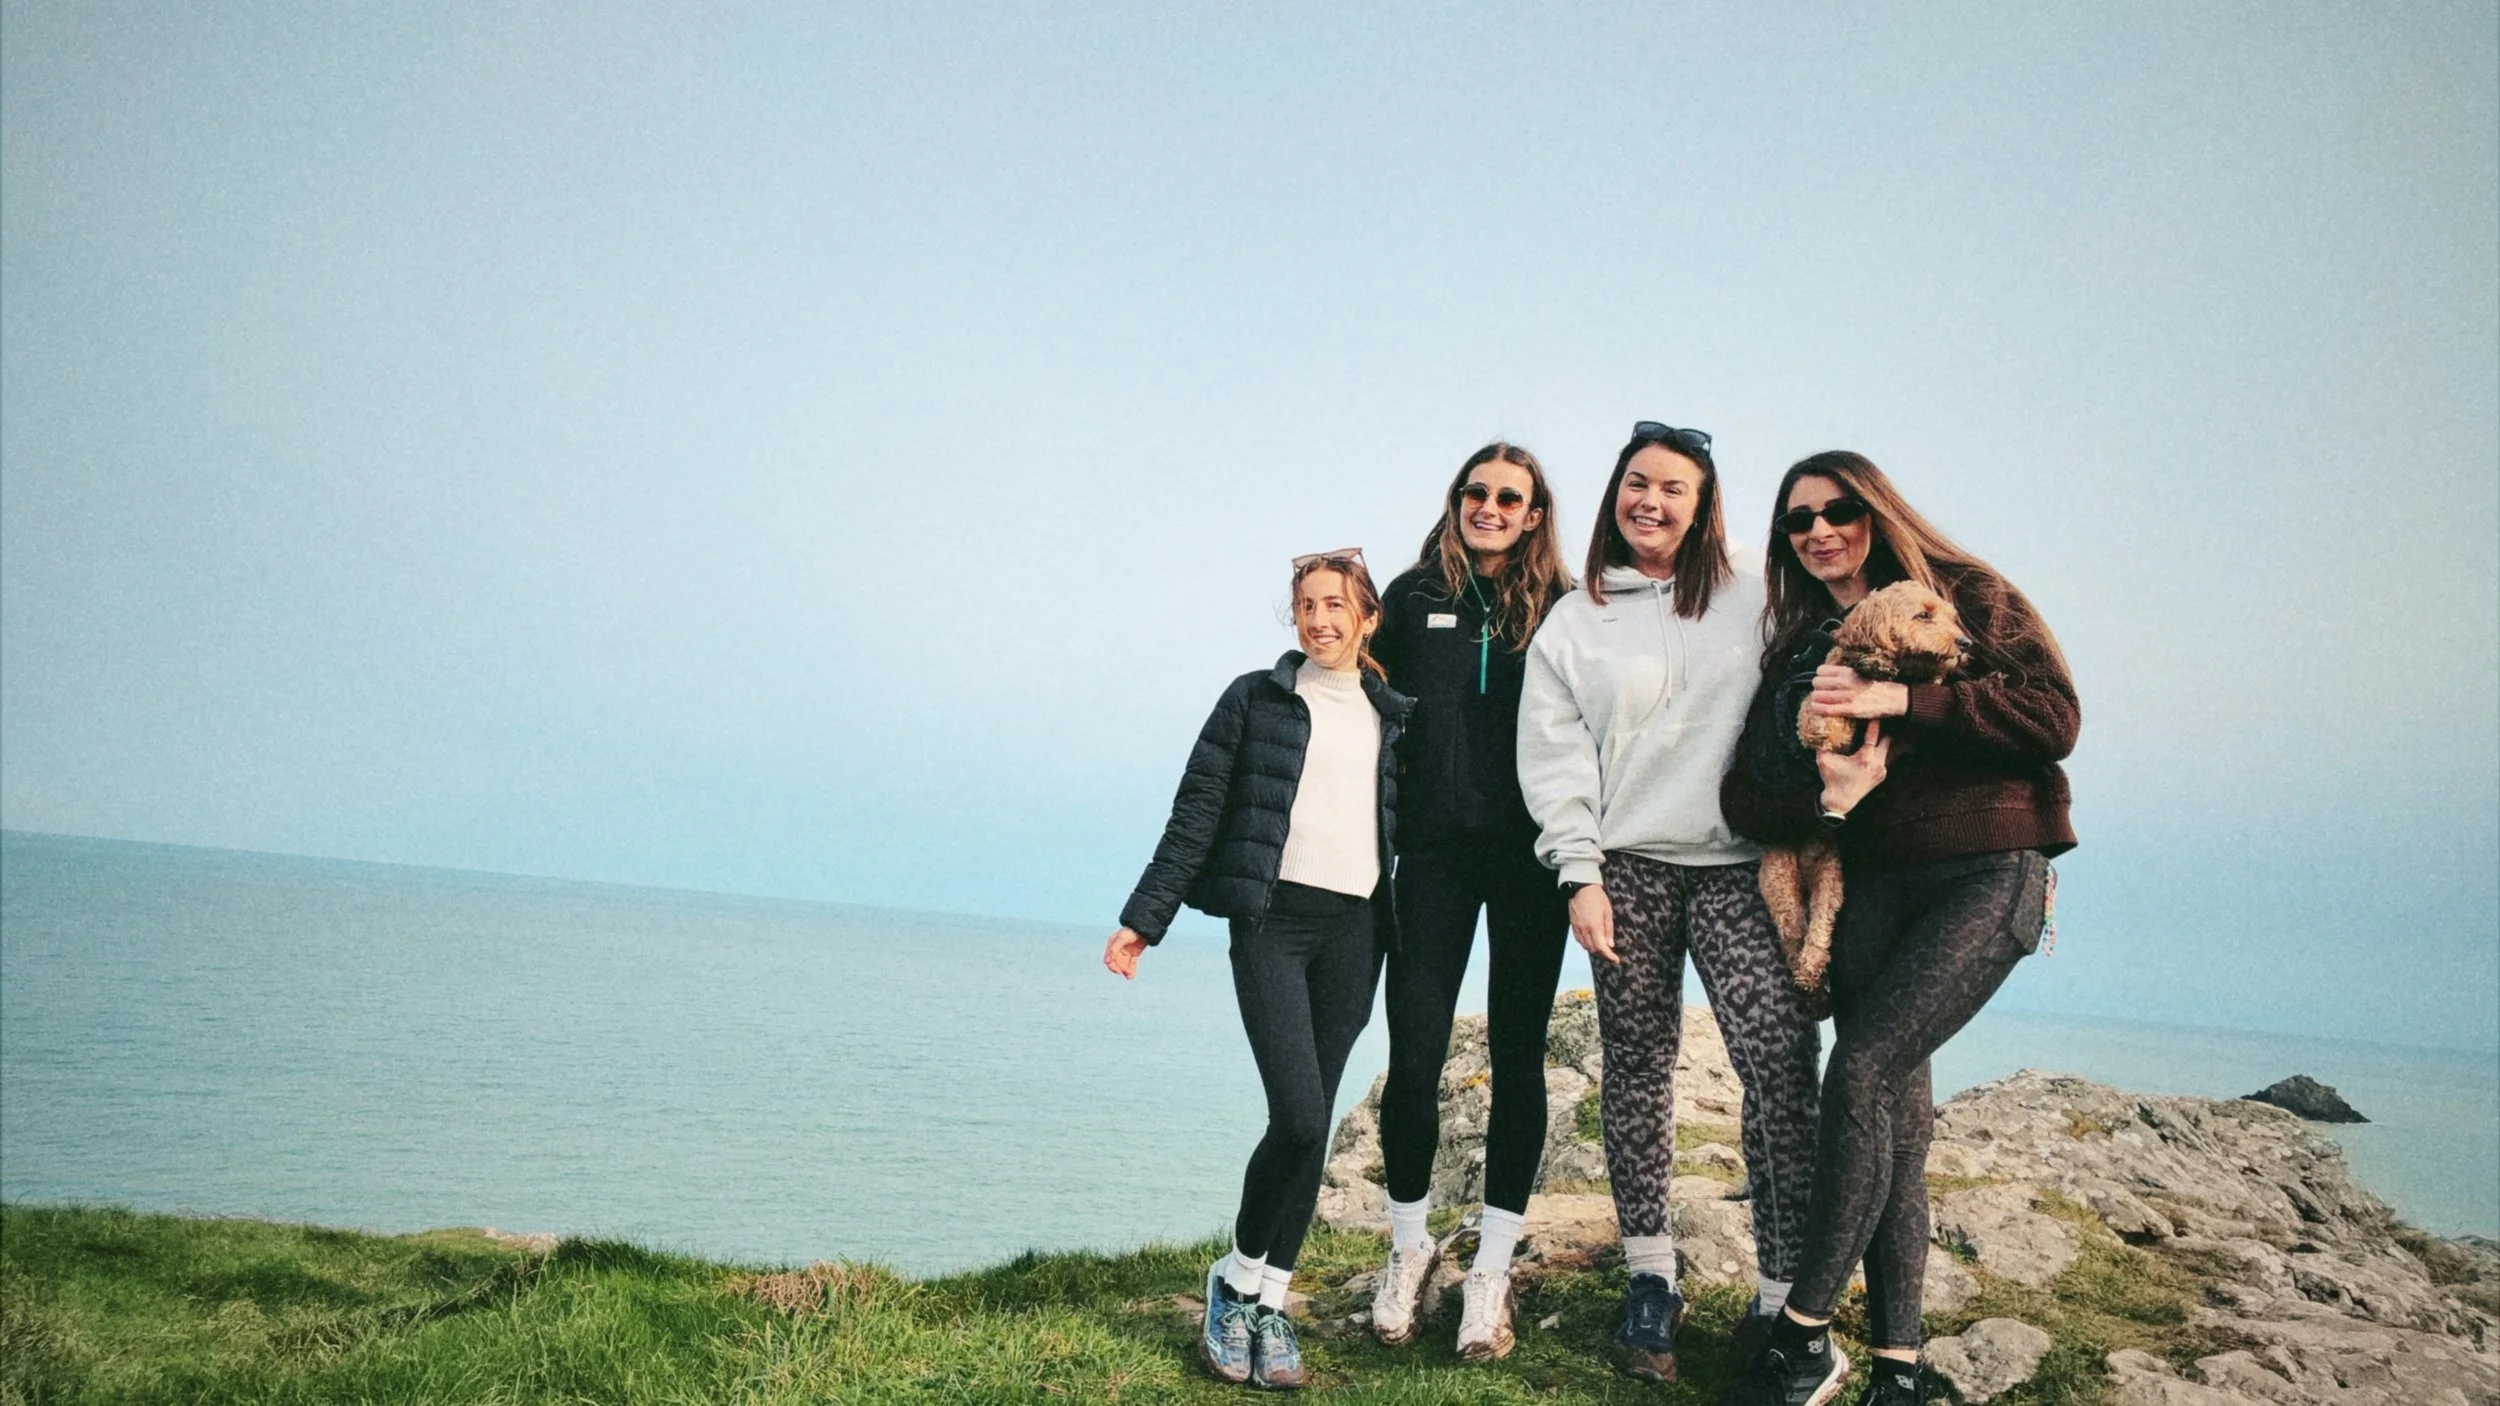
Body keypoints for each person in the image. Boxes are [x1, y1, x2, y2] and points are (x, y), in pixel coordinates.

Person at [1718, 451, 2079, 1406]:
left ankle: (1801, 1336)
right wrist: (1826, 796)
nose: (1820, 531)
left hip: (1988, 874)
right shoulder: (1806, 650)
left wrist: (1901, 701)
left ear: (1876, 511)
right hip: (1874, 891)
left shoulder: (1963, 596)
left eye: (1839, 511)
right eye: (1798, 522)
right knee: (1897, 1127)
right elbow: (1746, 797)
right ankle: (1900, 1371)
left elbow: (2052, 714)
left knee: (1861, 1072)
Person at [1517, 422, 1824, 1384]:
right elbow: (1557, 757)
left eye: (1675, 489)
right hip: (1630, 868)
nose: (1651, 501)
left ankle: (1782, 1290)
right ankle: (1651, 1276)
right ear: (1615, 492)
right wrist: (1579, 875)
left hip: (1742, 866)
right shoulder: (1576, 620)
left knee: (1777, 1059)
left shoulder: (1757, 592)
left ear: (1705, 504)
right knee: (1638, 1065)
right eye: (1637, 483)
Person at [1105, 550, 1411, 1392]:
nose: (1319, 620)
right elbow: (1199, 807)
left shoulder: (1393, 713)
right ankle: (1234, 1280)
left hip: (1358, 932)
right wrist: (1145, 918)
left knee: (1309, 1126)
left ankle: (1269, 1302)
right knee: (1302, 1116)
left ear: (1368, 616)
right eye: (1306, 606)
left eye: (1335, 606)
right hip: (1273, 925)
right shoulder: (1255, 698)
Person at [1366, 442, 1577, 1361]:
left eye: (1509, 498)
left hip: (1530, 860)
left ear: (1535, 514)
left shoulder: (1565, 609)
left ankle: (1490, 1270)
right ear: (1456, 500)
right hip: (1435, 856)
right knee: (1412, 1054)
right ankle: (1409, 1248)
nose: (1489, 507)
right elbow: (1348, 687)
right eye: (1475, 492)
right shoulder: (1411, 599)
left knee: (1517, 1059)